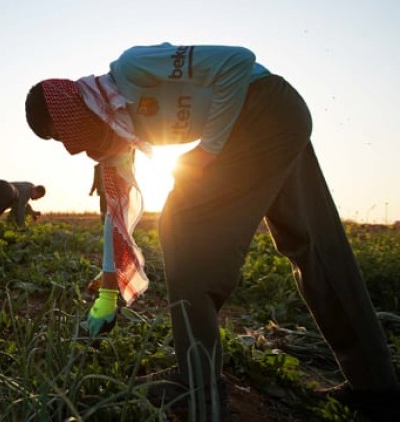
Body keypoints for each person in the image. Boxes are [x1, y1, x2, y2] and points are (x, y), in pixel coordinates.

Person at [25, 42, 399, 420]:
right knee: (311, 244)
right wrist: (108, 290)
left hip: (264, 105)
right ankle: (375, 387)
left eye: (66, 133)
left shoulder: (133, 68)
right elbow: (117, 215)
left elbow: (238, 61)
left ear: (76, 105)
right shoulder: (120, 125)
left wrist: (209, 149)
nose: (74, 146)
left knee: (182, 225)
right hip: (279, 118)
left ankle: (198, 383)